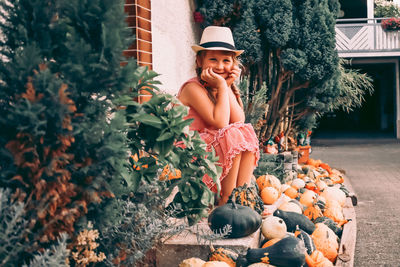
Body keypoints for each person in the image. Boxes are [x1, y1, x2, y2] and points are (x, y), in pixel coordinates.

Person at [177, 26, 260, 206]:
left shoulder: (221, 86)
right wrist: (223, 86)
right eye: (213, 59)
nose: (220, 66)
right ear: (199, 61)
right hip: (190, 148)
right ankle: (226, 201)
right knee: (232, 135)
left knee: (243, 131)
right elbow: (221, 122)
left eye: (226, 60)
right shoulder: (193, 88)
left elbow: (239, 120)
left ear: (234, 63)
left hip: (210, 145)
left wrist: (227, 86)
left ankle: (242, 199)